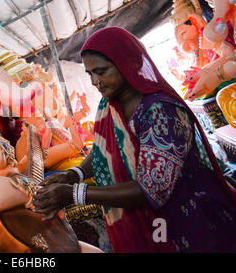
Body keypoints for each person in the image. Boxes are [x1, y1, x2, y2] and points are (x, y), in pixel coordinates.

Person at [33, 27, 236, 252]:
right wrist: (74, 174)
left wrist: (74, 194)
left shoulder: (159, 111)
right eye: (90, 74)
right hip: (157, 224)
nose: (95, 81)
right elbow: (104, 151)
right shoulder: (109, 105)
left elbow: (153, 190)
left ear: (127, 63)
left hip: (191, 220)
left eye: (101, 71)